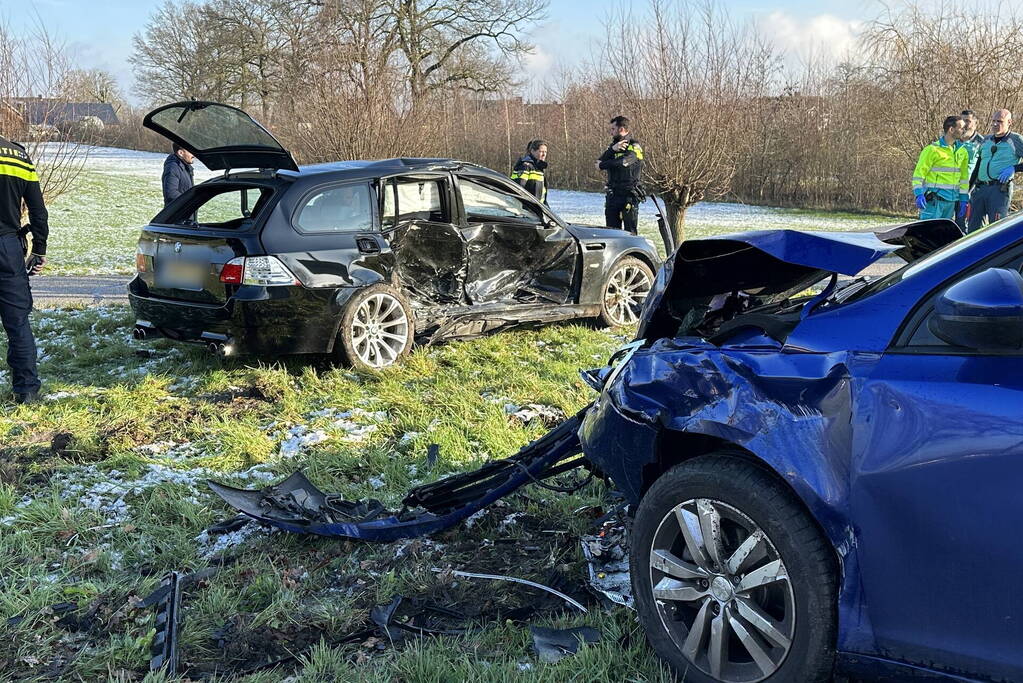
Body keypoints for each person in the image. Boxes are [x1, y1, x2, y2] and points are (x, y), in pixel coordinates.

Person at [0, 135, 47, 403]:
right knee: (17, 322)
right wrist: (39, 248)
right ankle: (26, 390)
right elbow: (38, 210)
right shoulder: (18, 156)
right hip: (8, 248)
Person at [967, 109, 1023, 233]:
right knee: (973, 230)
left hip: (999, 190)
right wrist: (968, 189)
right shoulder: (986, 140)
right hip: (980, 189)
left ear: (1009, 122)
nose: (995, 124)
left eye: (1000, 121)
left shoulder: (1016, 140)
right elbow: (978, 166)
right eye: (993, 121)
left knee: (996, 229)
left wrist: (1014, 168)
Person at [912, 115, 968, 221]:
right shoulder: (932, 150)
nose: (964, 131)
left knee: (944, 231)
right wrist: (919, 193)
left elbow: (964, 178)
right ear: (951, 129)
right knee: (929, 230)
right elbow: (918, 174)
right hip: (934, 201)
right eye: (961, 128)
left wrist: (963, 198)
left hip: (951, 202)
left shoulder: (962, 152)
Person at [597, 115, 644, 234]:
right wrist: (612, 150)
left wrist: (603, 165)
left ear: (621, 129)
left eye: (613, 129)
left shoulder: (634, 146)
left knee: (630, 234)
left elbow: (624, 162)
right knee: (611, 233)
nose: (611, 132)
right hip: (613, 195)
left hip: (629, 195)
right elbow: (598, 162)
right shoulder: (613, 147)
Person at [956, 109, 985, 229]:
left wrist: (970, 189)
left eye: (967, 121)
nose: (964, 124)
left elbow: (981, 169)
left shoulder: (982, 143)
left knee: (964, 225)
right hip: (951, 189)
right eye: (962, 120)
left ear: (975, 123)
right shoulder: (953, 140)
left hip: (970, 192)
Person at [510, 139, 548, 204]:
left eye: (545, 152)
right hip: (527, 208)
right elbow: (518, 190)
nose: (544, 154)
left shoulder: (539, 168)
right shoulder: (525, 166)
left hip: (538, 206)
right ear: (532, 151)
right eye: (541, 151)